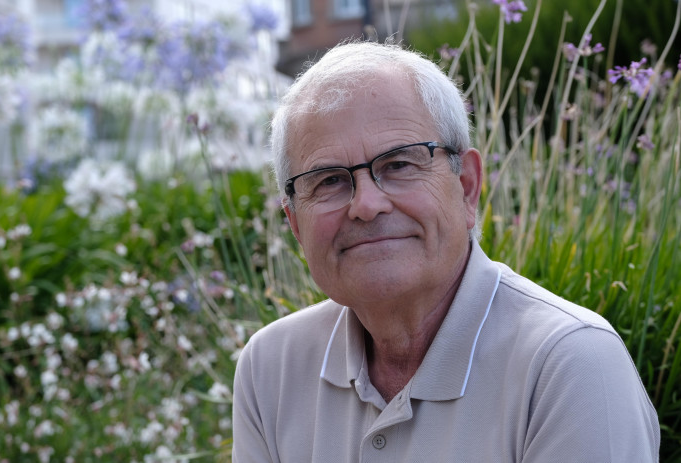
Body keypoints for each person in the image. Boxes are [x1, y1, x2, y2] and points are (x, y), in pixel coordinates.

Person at [232, 41, 660, 462]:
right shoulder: (271, 368)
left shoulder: (569, 366)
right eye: (328, 181)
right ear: (295, 225)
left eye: (398, 164)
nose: (366, 204)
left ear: (467, 187)